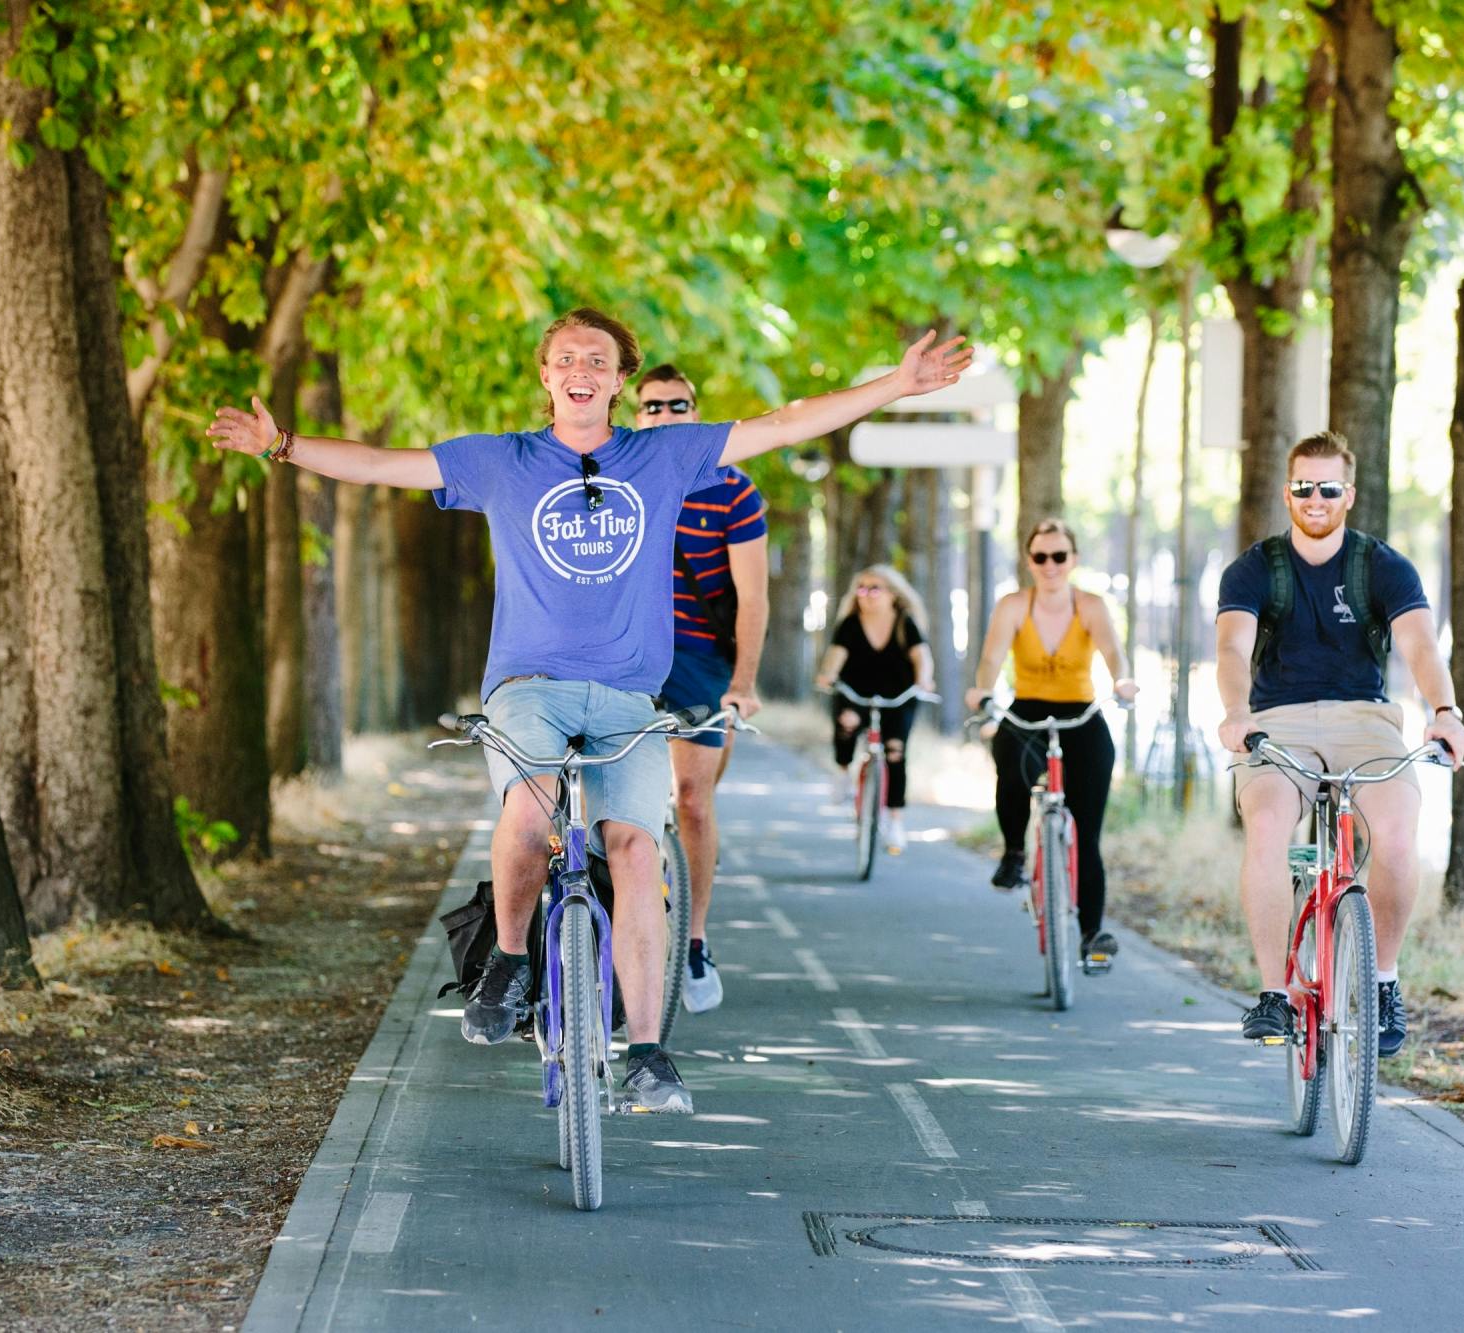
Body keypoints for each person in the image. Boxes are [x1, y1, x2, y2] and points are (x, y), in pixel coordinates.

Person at [208, 309, 970, 1113]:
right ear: (545, 375)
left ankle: (646, 1052)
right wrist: (282, 445)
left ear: (618, 380)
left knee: (639, 850)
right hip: (527, 687)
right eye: (565, 357)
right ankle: (506, 959)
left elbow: (784, 423)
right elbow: (378, 463)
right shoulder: (501, 461)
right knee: (531, 816)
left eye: (598, 359)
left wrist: (897, 383)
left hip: (628, 699)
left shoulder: (662, 456)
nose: (581, 368)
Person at [1214, 430, 1464, 1056]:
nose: (1316, 497)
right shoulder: (1255, 568)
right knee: (1270, 824)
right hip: (1280, 720)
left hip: (1367, 720)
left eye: (1329, 486)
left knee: (1397, 832)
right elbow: (1231, 646)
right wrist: (1235, 712)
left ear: (1349, 494)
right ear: (1288, 491)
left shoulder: (1381, 565)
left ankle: (1383, 980)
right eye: (1304, 486)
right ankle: (1275, 993)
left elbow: (1417, 644)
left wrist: (1445, 711)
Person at [638, 363, 767, 1014]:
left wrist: (743, 679)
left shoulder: (733, 490)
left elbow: (753, 596)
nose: (664, 416)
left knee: (692, 799)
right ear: (635, 415)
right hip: (624, 653)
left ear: (698, 413)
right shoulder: (611, 475)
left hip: (698, 658)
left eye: (677, 405)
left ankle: (692, 939)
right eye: (651, 407)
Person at [965, 519, 1138, 962]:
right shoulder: (1013, 606)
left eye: (1059, 556)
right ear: (1029, 561)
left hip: (1080, 713)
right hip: (1027, 710)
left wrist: (1122, 681)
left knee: (1087, 831)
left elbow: (1113, 651)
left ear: (1073, 560)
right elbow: (990, 657)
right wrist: (983, 690)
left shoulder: (1091, 606)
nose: (1050, 565)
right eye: (1041, 557)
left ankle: (1092, 934)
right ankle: (1014, 854)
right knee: (1010, 760)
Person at [814, 566, 934, 853]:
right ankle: (843, 771)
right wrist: (828, 674)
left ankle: (895, 820)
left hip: (899, 696)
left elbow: (922, 656)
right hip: (857, 693)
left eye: (875, 588)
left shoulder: (905, 624)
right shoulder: (851, 624)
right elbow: (835, 657)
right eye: (862, 588)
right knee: (847, 722)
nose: (867, 594)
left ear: (893, 595)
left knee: (895, 750)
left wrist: (925, 680)